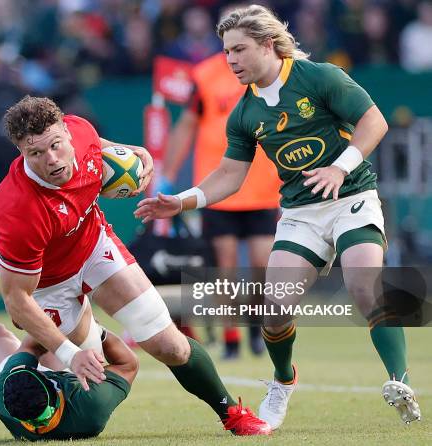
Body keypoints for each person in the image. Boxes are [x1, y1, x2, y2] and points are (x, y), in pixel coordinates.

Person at [135, 4, 421, 430]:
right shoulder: (245, 112)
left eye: (239, 49)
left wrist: (340, 167)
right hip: (301, 214)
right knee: (275, 309)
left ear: (268, 45)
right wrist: (184, 200)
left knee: (365, 286)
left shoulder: (318, 76)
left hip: (351, 198)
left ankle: (400, 382)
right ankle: (283, 380)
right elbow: (230, 175)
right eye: (226, 51)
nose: (230, 59)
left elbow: (373, 122)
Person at [0, 95, 271, 435]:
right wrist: (68, 353)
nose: (52, 159)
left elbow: (102, 147)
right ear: (21, 153)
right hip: (49, 285)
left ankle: (232, 413)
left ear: (67, 132)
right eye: (36, 153)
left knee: (172, 346)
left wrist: (137, 152)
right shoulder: (17, 208)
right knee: (67, 385)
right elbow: (17, 300)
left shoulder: (81, 131)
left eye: (55, 145)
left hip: (94, 249)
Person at [0, 236, 136, 441]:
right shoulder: (91, 403)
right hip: (74, 401)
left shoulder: (2, 393)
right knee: (62, 328)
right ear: (52, 384)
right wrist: (98, 332)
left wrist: (28, 316)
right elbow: (128, 365)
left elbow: (31, 345)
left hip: (28, 406)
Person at [160, 47, 282, 359]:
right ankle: (230, 339)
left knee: (262, 264)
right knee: (224, 267)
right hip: (218, 187)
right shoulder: (205, 74)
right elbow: (186, 124)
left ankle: (255, 326)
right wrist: (167, 173)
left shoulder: (271, 70)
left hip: (263, 186)